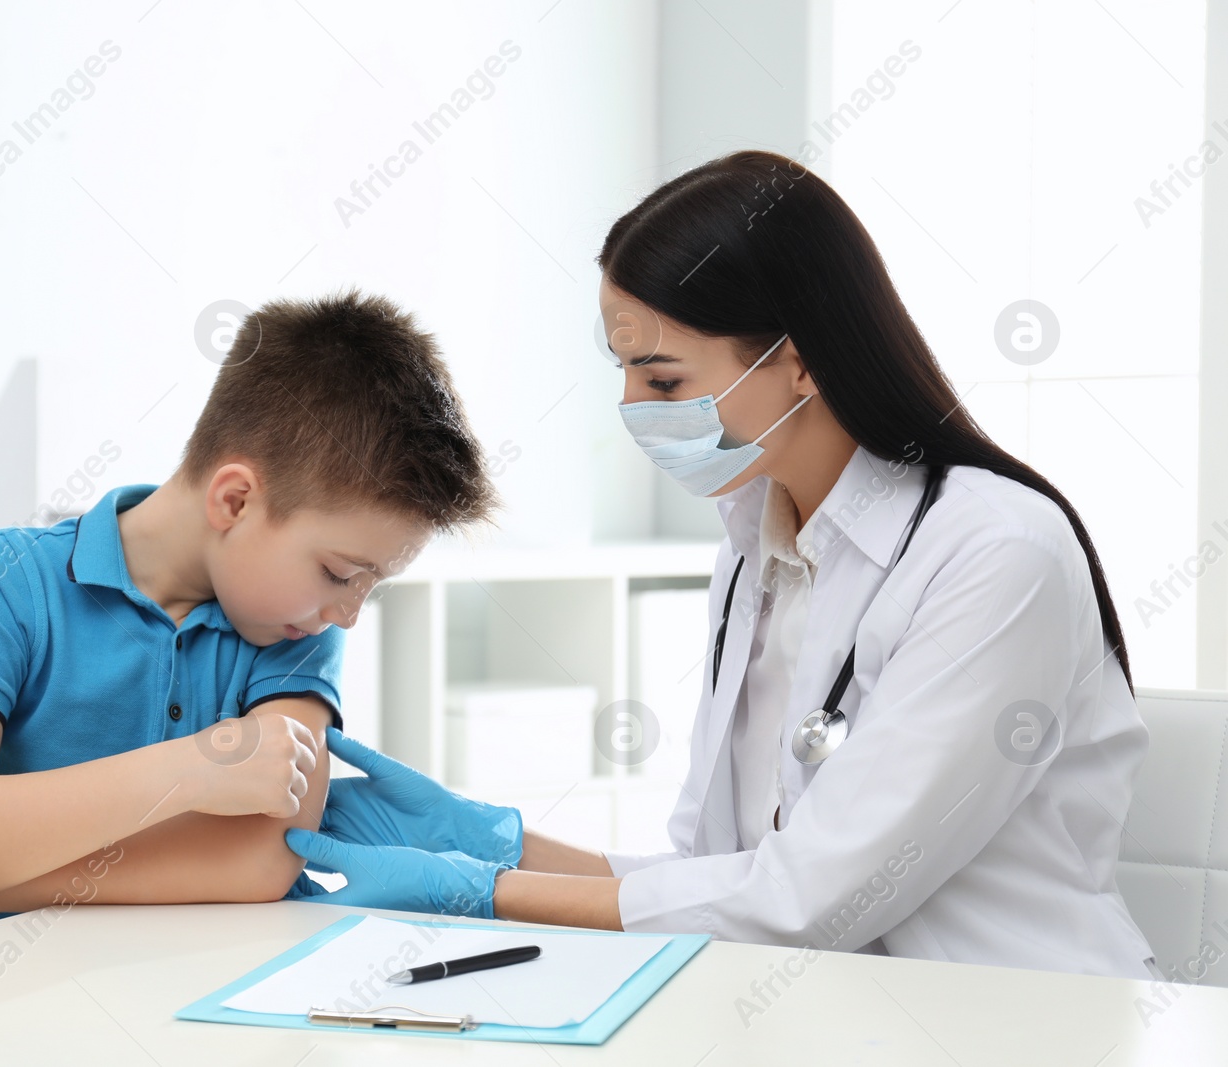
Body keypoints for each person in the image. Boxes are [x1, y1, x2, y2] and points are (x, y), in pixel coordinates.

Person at [283, 151, 1158, 979]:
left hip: (1026, 1021)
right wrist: (494, 841)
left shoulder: (996, 553)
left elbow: (809, 900)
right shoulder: (757, 547)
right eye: (624, 373)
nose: (630, 408)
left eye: (661, 381)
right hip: (824, 1010)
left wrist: (485, 891)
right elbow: (719, 878)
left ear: (801, 361)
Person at [0, 290, 496, 955]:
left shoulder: (300, 628)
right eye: (339, 572)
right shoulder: (2, 581)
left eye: (372, 584)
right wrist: (189, 769)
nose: (350, 614)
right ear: (235, 499)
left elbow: (258, 861)